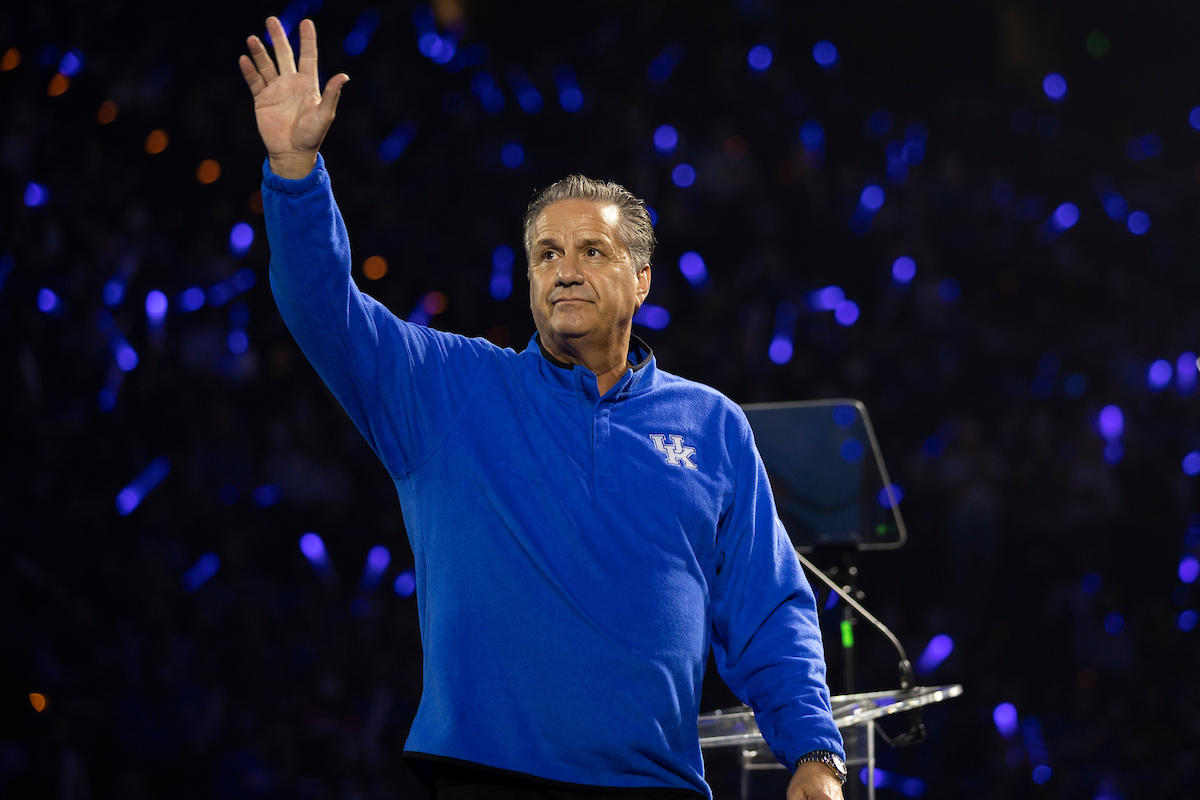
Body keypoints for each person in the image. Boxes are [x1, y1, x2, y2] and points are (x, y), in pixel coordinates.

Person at [239, 17, 846, 800]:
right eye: (546, 255)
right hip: (486, 777)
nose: (564, 272)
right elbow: (325, 310)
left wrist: (815, 752)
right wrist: (294, 171)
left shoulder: (714, 426)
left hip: (655, 786)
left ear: (642, 280)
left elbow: (767, 610)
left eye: (591, 252)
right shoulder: (448, 388)